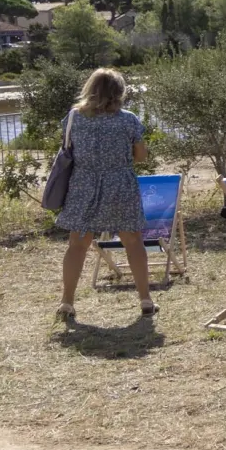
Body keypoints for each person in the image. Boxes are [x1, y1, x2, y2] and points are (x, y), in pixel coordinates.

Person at [54, 68, 155, 321]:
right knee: (133, 242)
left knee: (77, 245)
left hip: (83, 184)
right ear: (119, 92)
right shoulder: (128, 119)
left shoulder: (74, 118)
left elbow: (69, 149)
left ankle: (67, 302)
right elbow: (141, 156)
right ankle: (145, 299)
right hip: (120, 183)